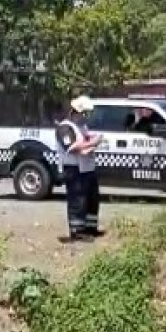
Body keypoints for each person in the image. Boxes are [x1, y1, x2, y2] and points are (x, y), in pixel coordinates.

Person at [55, 95, 103, 242]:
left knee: (91, 199)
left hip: (87, 168)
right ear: (76, 111)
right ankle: (77, 231)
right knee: (77, 200)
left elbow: (85, 140)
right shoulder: (65, 127)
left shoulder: (81, 126)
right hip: (74, 169)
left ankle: (90, 228)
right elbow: (72, 147)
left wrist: (92, 140)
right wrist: (93, 142)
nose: (86, 117)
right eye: (84, 113)